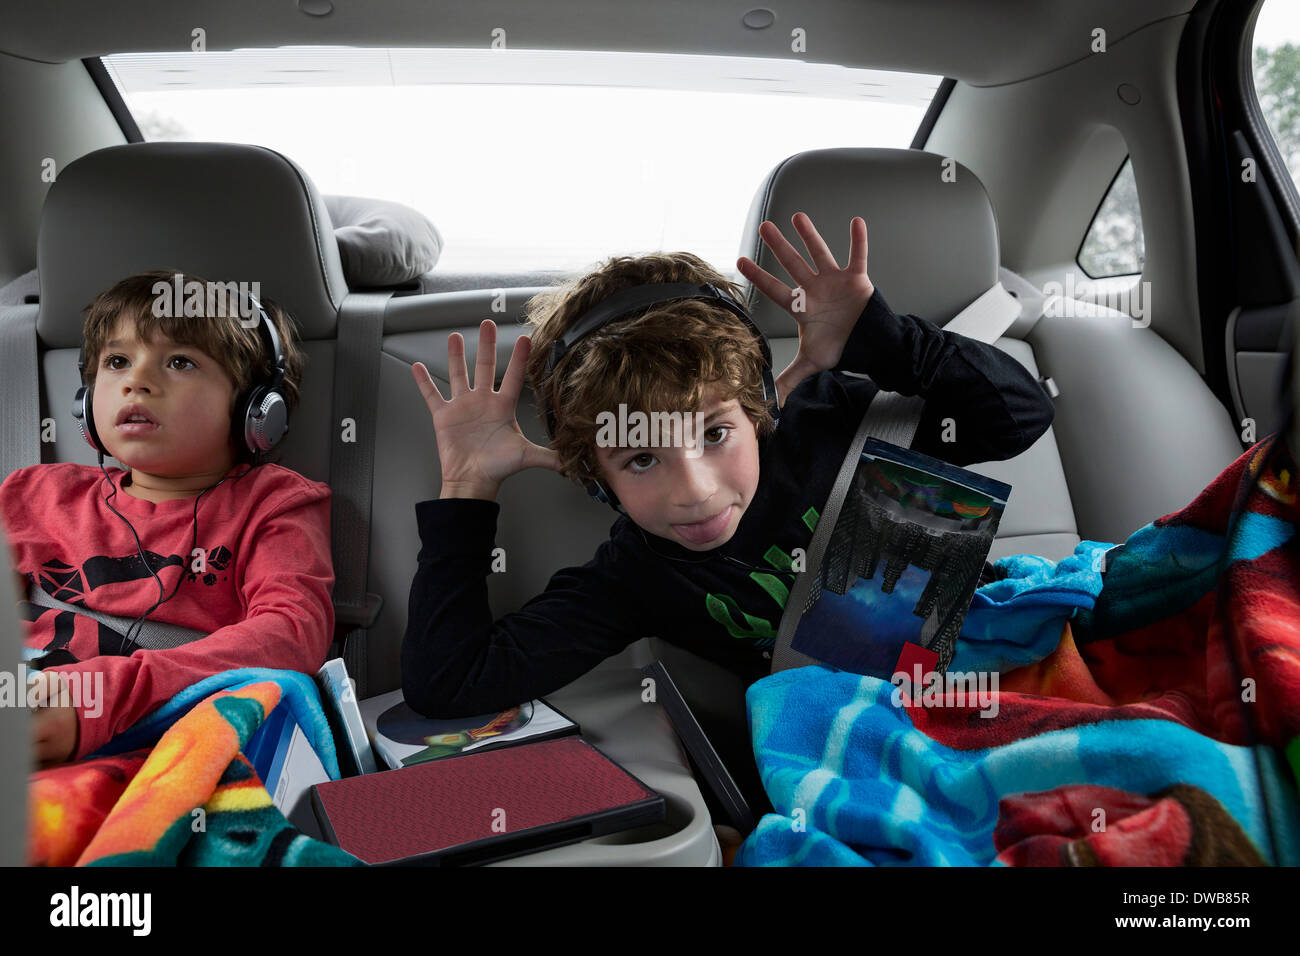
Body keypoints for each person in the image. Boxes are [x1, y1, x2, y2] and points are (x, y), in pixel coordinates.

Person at [403, 212, 1052, 720]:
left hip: (1005, 668)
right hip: (874, 744)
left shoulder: (834, 422)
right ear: (595, 474)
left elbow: (1018, 414)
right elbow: (449, 682)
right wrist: (468, 488)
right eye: (641, 457)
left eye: (715, 433)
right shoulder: (637, 575)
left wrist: (880, 338)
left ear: (761, 406)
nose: (696, 490)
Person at [1, 270, 334, 767]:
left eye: (179, 362)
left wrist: (108, 695)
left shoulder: (273, 504)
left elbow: (290, 635)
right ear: (87, 404)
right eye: (116, 362)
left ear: (257, 411)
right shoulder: (34, 493)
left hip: (159, 749)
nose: (137, 381)